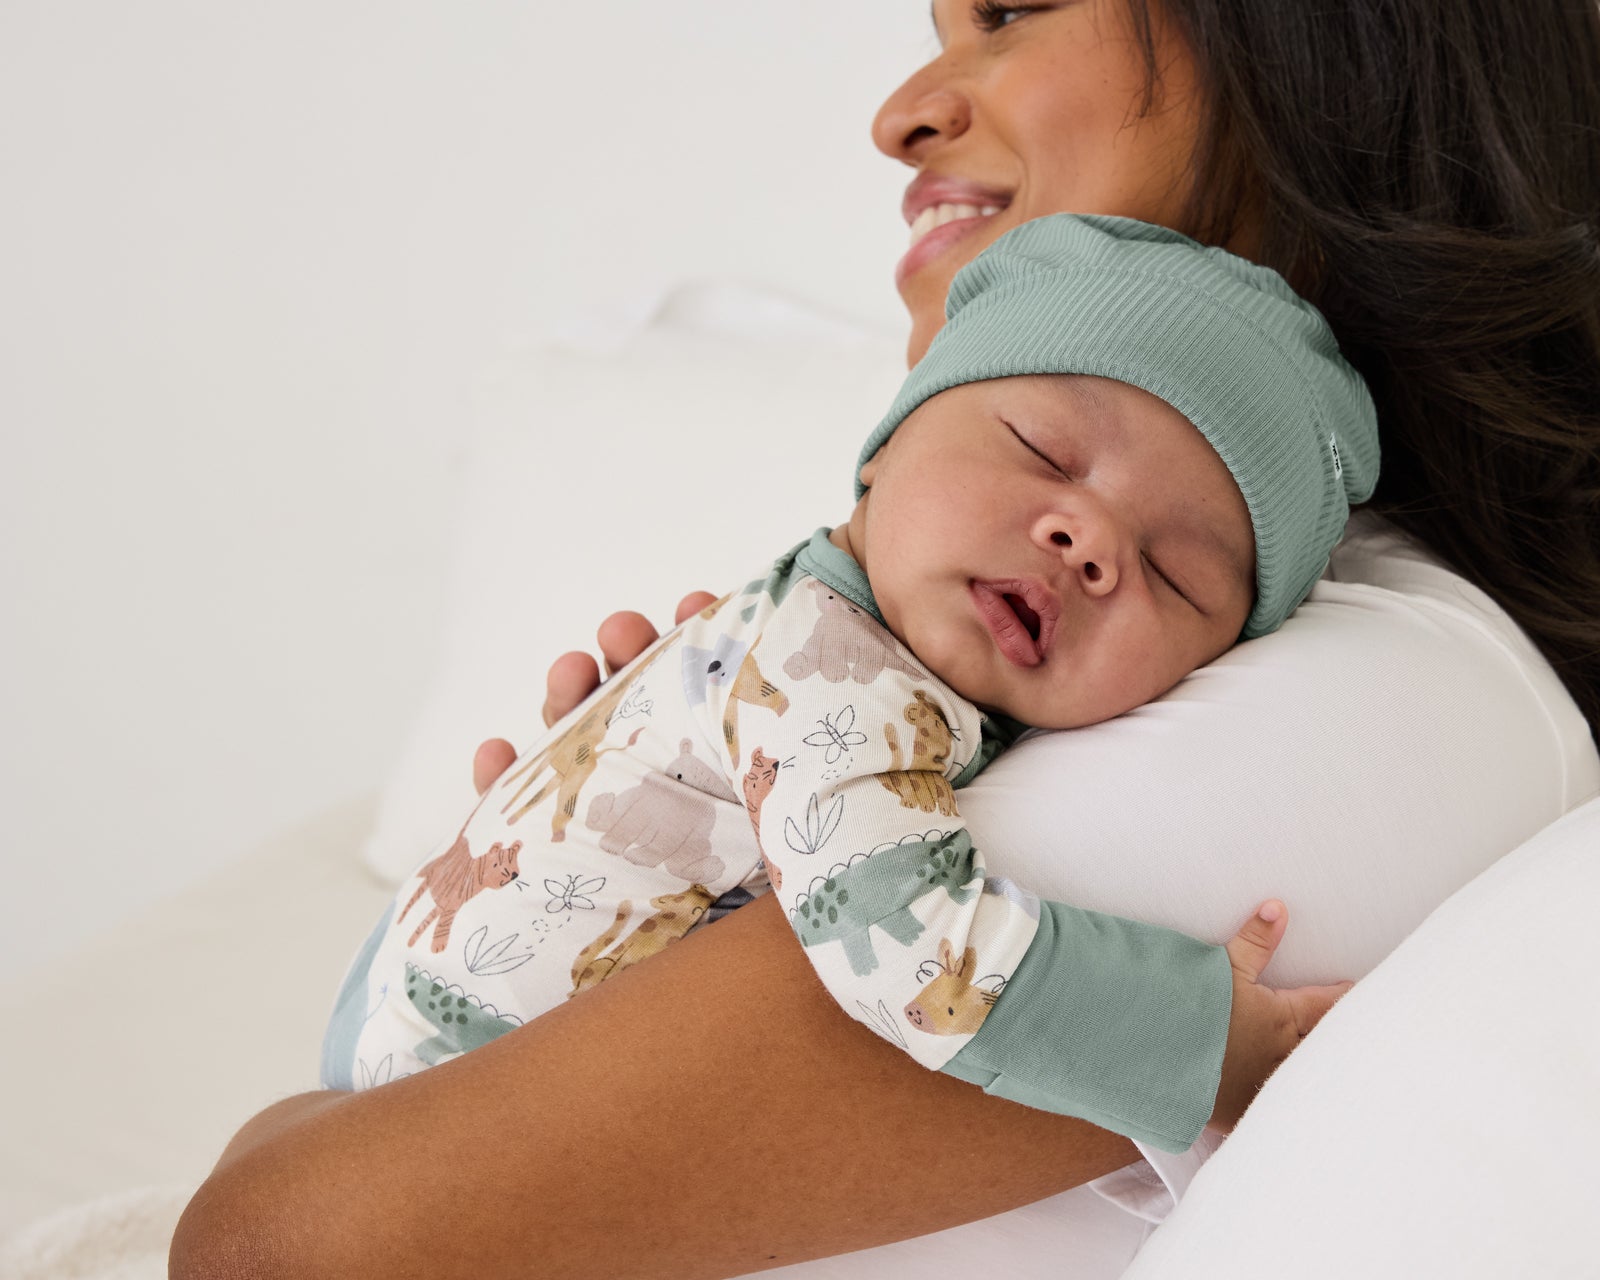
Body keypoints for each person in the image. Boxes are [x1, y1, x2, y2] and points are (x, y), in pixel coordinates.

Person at [171, 2, 1600, 1277]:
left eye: (1014, 10)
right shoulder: (1097, 647)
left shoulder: (1377, 703)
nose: (901, 112)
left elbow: (279, 1247)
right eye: (1036, 445)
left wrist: (300, 1134)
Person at [325, 214, 1376, 1155]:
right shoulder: (838, 675)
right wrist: (1209, 1045)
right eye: (1044, 449)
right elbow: (910, 947)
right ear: (881, 450)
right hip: (444, 1100)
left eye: (1173, 572)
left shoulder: (833, 637)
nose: (1087, 538)